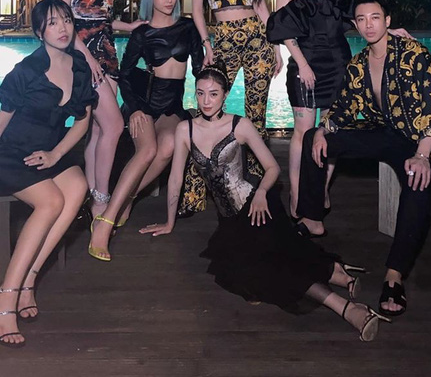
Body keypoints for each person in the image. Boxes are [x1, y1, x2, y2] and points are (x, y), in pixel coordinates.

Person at [140, 62, 390, 342]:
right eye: (200, 93)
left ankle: (348, 309)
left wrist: (260, 193)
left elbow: (272, 168)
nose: (206, 101)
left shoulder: (239, 125)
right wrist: (169, 222)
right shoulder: (184, 130)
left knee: (274, 267)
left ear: (225, 95)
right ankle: (337, 273)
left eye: (213, 94)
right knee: (247, 271)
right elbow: (175, 179)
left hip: (258, 207)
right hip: (229, 222)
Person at [296, 0, 431, 317]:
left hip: (418, 141)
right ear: (355, 25)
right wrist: (324, 128)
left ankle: (394, 275)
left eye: (375, 18)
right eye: (362, 19)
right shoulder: (358, 63)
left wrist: (423, 155)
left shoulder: (414, 54)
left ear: (388, 21)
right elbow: (343, 107)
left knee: (417, 179)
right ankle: (311, 218)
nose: (369, 25)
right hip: (383, 133)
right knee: (314, 136)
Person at [0, 0, 97, 347]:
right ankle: (5, 296)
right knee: (51, 202)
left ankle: (29, 280)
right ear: (39, 32)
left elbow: (83, 121)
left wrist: (56, 154)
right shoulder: (27, 71)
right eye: (53, 23)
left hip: (47, 152)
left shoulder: (79, 67)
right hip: (12, 155)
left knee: (78, 187)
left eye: (66, 20)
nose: (62, 28)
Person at [267, 0, 411, 224]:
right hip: (304, 62)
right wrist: (302, 64)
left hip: (337, 62)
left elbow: (359, 18)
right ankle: (297, 192)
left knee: (331, 130)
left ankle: (320, 188)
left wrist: (388, 30)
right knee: (303, 131)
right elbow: (284, 30)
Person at [87, 0, 204, 261]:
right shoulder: (142, 33)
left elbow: (199, 70)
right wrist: (136, 108)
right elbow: (125, 75)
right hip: (144, 103)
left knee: (169, 146)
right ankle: (105, 223)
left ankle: (127, 199)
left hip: (172, 105)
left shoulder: (187, 28)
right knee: (148, 149)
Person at [181, 0, 282, 213]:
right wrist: (206, 44)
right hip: (223, 38)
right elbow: (197, 11)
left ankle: (256, 185)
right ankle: (194, 193)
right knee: (208, 109)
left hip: (257, 39)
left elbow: (261, 6)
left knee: (257, 113)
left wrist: (276, 47)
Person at [55, 0, 145, 225]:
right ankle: (102, 203)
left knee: (97, 130)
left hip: (107, 51)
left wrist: (128, 26)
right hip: (83, 56)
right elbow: (62, 21)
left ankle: (92, 194)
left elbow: (101, 18)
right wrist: (87, 58)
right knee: (115, 126)